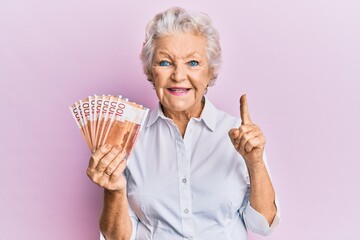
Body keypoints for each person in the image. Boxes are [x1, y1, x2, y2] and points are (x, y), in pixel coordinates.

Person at [86, 7, 280, 240]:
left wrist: (255, 163)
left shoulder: (240, 136)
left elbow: (263, 225)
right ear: (150, 71)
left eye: (193, 63)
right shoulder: (127, 137)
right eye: (165, 63)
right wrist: (114, 190)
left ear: (210, 72)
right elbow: (117, 238)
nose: (178, 75)